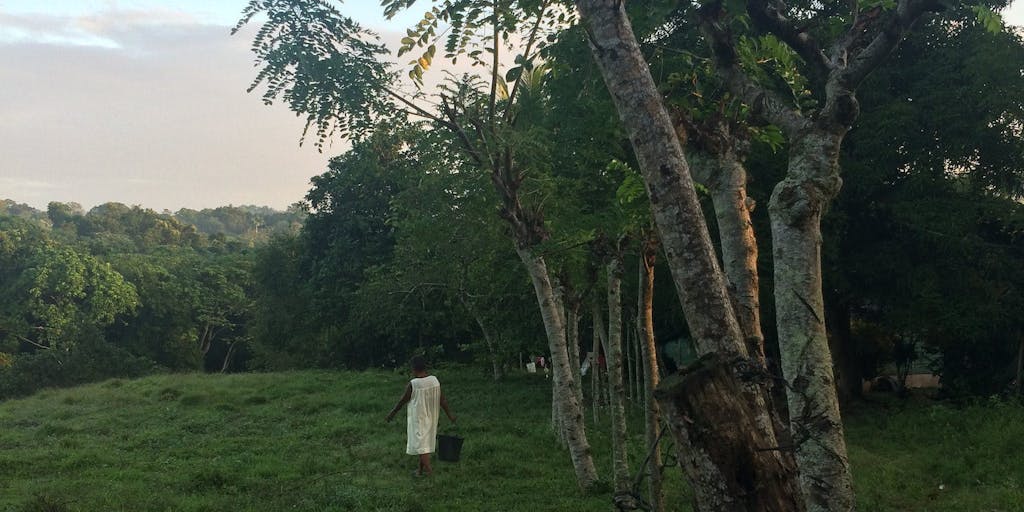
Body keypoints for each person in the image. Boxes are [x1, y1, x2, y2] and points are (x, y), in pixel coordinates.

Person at [385, 356, 456, 476]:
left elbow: (402, 401)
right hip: (432, 417)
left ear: (413, 369)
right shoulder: (434, 380)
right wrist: (450, 415)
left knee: (420, 446)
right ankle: (420, 470)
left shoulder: (414, 384)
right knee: (424, 444)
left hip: (418, 418)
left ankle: (430, 472)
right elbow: (442, 400)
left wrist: (392, 413)